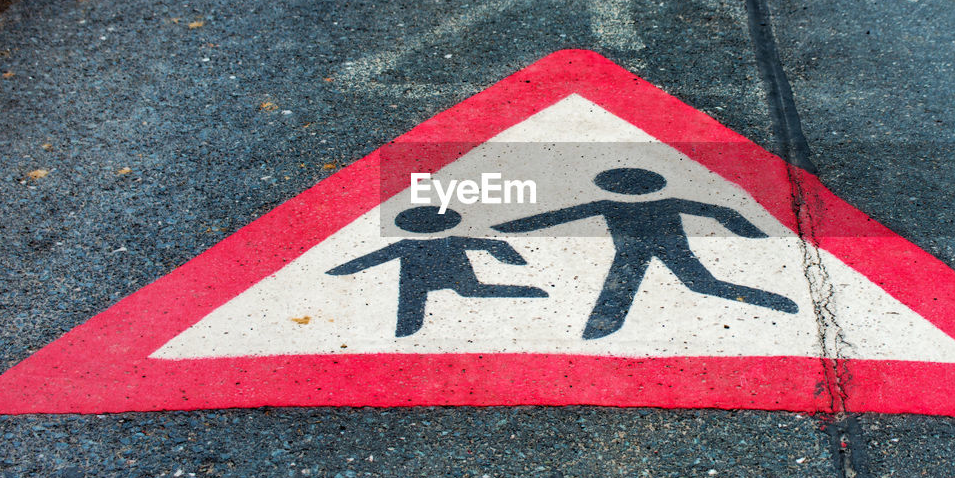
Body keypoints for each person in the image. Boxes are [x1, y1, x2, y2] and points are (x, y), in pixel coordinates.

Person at [493, 167, 797, 339]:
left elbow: (558, 216)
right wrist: (750, 232)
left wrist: (510, 228)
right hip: (653, 250)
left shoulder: (610, 205)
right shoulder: (664, 202)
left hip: (646, 250)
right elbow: (720, 211)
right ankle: (598, 329)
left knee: (636, 287)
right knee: (637, 287)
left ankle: (775, 301)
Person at [327, 206, 547, 338]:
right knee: (468, 291)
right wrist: (512, 260)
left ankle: (405, 332)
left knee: (414, 304)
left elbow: (372, 259)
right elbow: (493, 246)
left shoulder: (408, 244)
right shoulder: (447, 241)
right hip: (437, 275)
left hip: (418, 278)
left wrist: (341, 270)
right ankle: (530, 292)